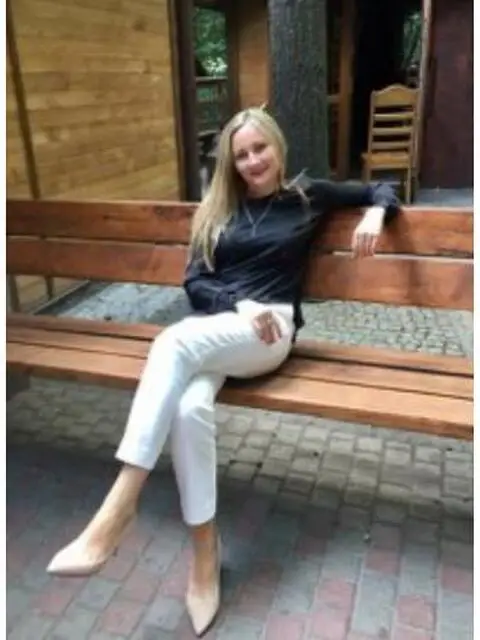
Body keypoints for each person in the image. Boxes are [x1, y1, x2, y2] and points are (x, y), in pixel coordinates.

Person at [46, 107, 400, 636]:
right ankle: (204, 556)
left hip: (269, 332)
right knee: (189, 407)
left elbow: (383, 187)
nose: (253, 161)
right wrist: (238, 304)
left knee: (170, 341)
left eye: (260, 148)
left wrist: (374, 214)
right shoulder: (219, 210)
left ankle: (117, 510)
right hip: (221, 326)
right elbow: (195, 284)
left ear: (278, 147)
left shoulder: (308, 196)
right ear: (230, 163)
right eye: (241, 155)